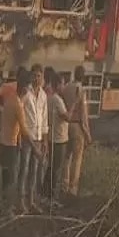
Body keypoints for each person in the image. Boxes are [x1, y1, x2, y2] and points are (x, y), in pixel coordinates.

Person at [0, 68, 33, 212]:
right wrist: (35, 150)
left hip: (3, 141)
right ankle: (9, 208)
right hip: (11, 145)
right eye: (28, 87)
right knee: (11, 177)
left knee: (5, 176)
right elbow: (24, 130)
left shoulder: (9, 98)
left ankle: (4, 204)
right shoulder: (18, 105)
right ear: (24, 88)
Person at [18, 64, 48, 212]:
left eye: (39, 76)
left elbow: (45, 119)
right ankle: (21, 202)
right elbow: (19, 111)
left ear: (43, 77)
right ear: (31, 77)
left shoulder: (43, 95)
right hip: (27, 137)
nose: (37, 78)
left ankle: (31, 201)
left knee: (34, 171)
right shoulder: (26, 93)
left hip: (38, 137)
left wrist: (45, 140)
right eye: (35, 75)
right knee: (24, 169)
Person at [62, 65, 93, 197]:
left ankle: (64, 185)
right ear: (83, 76)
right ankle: (73, 189)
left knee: (66, 157)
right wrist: (87, 133)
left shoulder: (66, 87)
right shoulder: (81, 91)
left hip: (65, 125)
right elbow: (83, 115)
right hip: (76, 126)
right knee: (77, 158)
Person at [42, 70, 71, 206]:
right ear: (58, 85)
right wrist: (75, 104)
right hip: (59, 139)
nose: (64, 87)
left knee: (51, 167)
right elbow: (67, 117)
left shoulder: (49, 98)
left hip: (52, 137)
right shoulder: (58, 100)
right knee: (56, 168)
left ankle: (44, 193)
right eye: (63, 84)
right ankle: (53, 197)